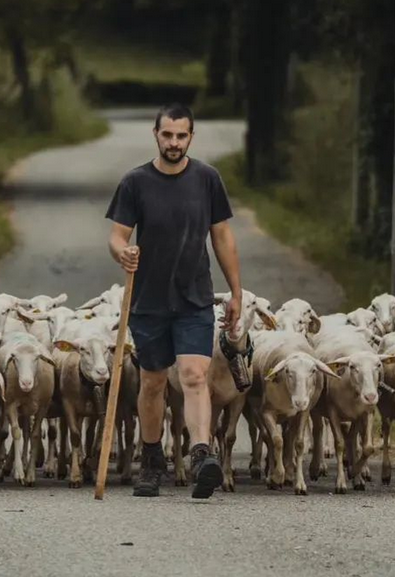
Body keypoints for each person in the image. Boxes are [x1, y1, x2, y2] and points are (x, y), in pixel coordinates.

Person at [105, 103, 242, 498]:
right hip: (148, 299)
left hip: (194, 296)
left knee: (195, 375)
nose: (174, 143)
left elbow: (222, 237)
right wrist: (123, 252)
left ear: (191, 138)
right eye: (168, 135)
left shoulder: (207, 179)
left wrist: (235, 292)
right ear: (156, 134)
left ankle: (202, 455)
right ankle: (151, 462)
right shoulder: (135, 182)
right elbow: (117, 236)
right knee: (152, 382)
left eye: (182, 136)